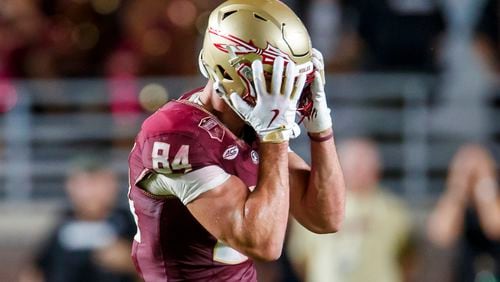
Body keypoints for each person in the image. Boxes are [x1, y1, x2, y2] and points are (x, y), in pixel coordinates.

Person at [127, 0, 346, 281]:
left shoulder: (252, 119)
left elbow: (326, 218)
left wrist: (321, 129)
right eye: (275, 78)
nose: (289, 93)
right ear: (231, 71)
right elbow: (264, 244)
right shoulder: (175, 135)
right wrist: (274, 137)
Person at [288, 138, 413, 282]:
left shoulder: (394, 210)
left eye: (365, 163)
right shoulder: (315, 205)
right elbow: (300, 258)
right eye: (355, 164)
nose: (360, 169)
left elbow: (408, 259)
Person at [20, 159, 137, 282]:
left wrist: (129, 262)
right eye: (84, 185)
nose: (91, 192)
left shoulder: (128, 221)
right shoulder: (64, 222)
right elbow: (36, 268)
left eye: (97, 183)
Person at [427, 144, 500, 282]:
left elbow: (495, 227)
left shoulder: (493, 197)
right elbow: (440, 235)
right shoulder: (456, 204)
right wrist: (458, 185)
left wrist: (484, 179)